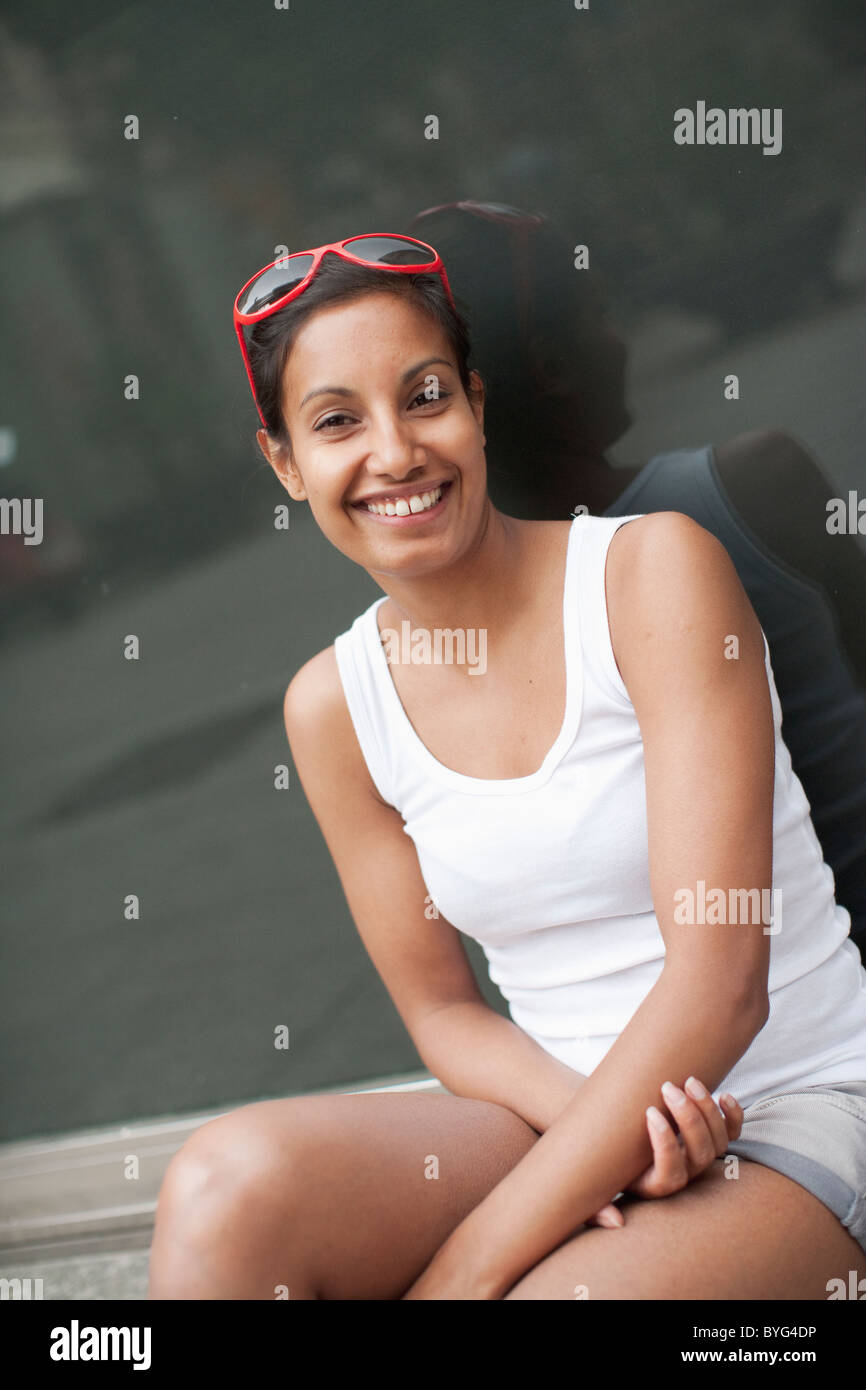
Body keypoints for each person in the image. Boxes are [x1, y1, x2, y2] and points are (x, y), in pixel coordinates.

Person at [148, 236, 866, 1300]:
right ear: (285, 463)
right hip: (562, 1111)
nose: (393, 452)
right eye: (337, 420)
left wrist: (457, 1277)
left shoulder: (648, 574)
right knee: (222, 1188)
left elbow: (720, 989)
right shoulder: (334, 705)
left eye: (424, 395)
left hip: (801, 1098)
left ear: (475, 405)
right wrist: (602, 1127)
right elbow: (444, 1015)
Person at [406, 201, 866, 961]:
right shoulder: (757, 484)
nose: (618, 341)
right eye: (602, 315)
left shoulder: (444, 632)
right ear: (554, 366)